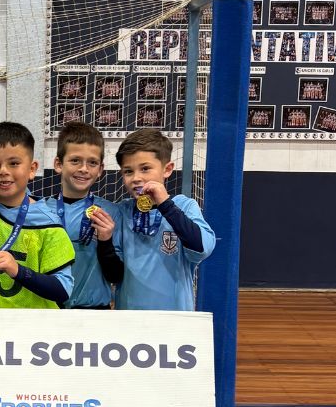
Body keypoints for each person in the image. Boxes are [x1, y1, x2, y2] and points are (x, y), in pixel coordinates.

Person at [0, 122, 75, 309]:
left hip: (27, 326)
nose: (3, 171)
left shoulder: (49, 223)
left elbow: (63, 289)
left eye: (13, 163)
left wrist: (19, 271)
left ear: (32, 169)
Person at [106, 128, 215, 310]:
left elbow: (203, 248)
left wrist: (165, 205)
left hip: (175, 318)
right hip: (129, 318)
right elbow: (113, 274)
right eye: (128, 171)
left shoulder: (185, 206)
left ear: (167, 169)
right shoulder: (122, 212)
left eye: (145, 169)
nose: (136, 178)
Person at [43, 121, 118, 309]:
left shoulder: (111, 212)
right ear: (58, 164)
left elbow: (115, 275)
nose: (84, 169)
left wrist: (106, 242)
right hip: (50, 311)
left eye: (92, 163)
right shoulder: (40, 210)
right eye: (75, 160)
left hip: (95, 312)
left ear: (100, 169)